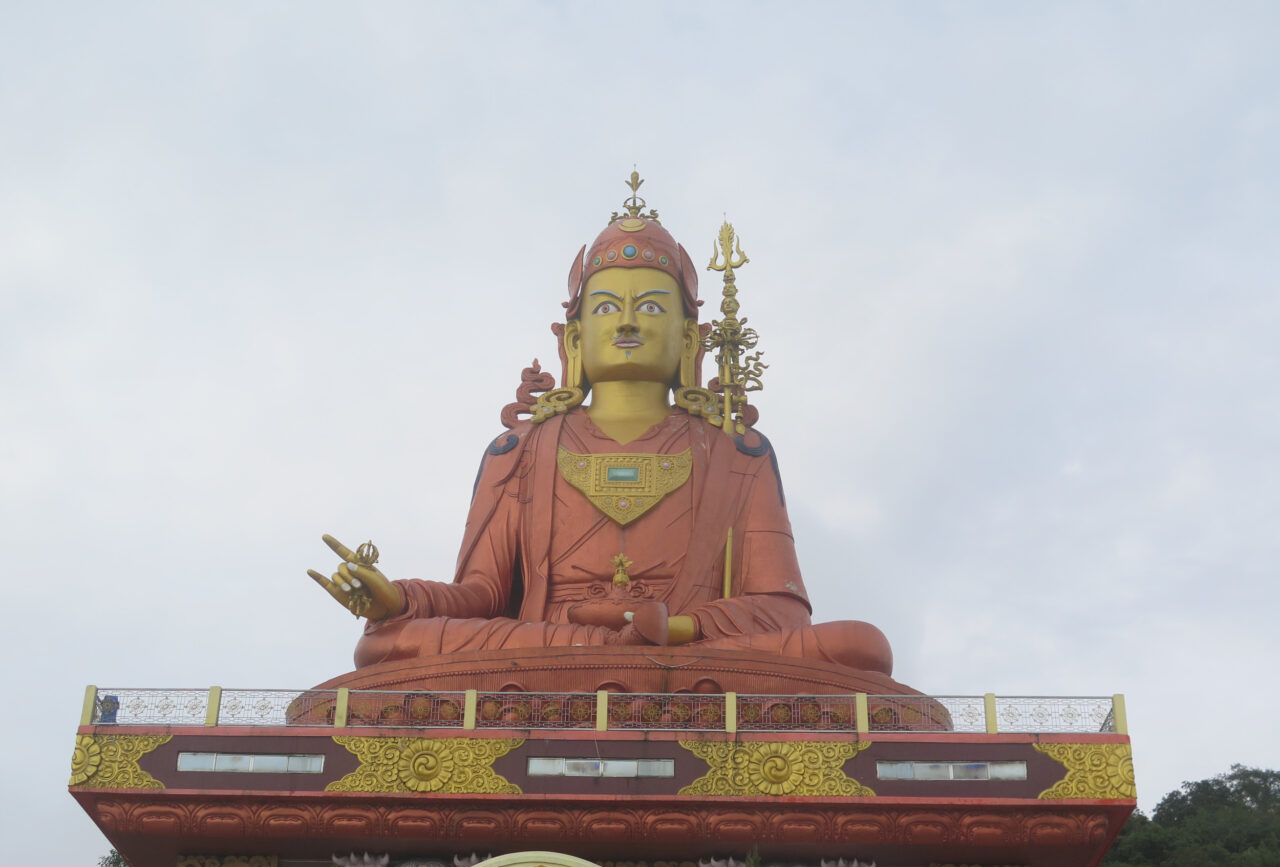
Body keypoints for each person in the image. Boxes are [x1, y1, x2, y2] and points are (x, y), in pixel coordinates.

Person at [309, 184, 893, 677]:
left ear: (690, 341)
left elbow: (781, 611)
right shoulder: (520, 451)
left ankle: (639, 657)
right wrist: (400, 600)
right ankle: (613, 659)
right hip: (548, 647)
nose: (631, 322)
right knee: (383, 645)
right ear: (574, 338)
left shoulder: (737, 453)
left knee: (860, 646)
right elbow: (482, 597)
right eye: (609, 307)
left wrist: (679, 627)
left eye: (655, 308)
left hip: (686, 650)